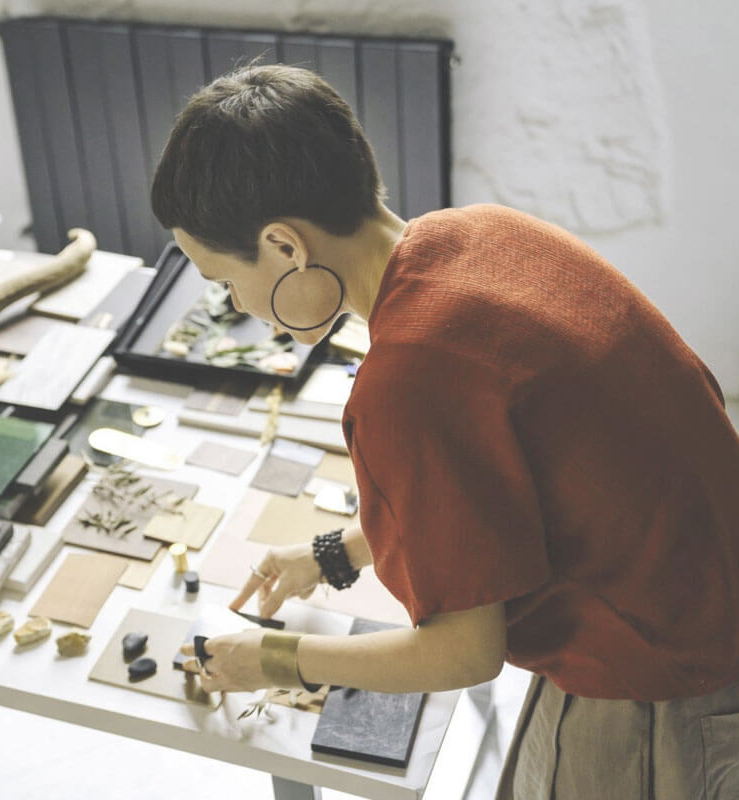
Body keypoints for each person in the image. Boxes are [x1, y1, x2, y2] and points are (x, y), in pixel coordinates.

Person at [150, 64, 739, 798]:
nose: (237, 305)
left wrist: (273, 659)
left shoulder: (409, 380)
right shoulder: (484, 231)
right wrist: (335, 553)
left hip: (671, 688)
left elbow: (462, 654)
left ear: (284, 246)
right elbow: (499, 491)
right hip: (699, 590)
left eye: (224, 281)